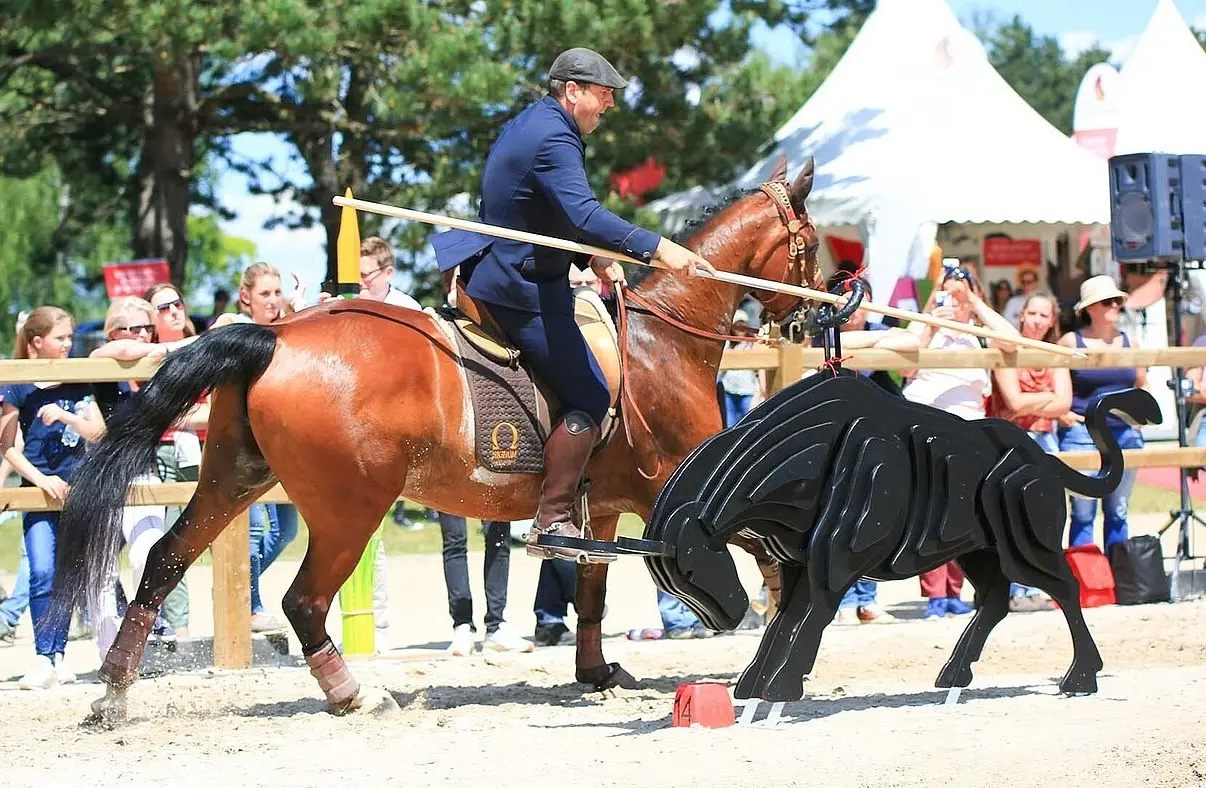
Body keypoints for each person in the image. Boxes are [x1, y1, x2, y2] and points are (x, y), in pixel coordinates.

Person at [431, 47, 714, 562]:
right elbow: (583, 213)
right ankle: (552, 519)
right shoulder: (555, 136)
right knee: (589, 391)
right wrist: (659, 248)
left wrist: (592, 256)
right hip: (518, 288)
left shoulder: (537, 122)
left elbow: (541, 210)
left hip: (507, 272)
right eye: (603, 94)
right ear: (573, 90)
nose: (609, 105)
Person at [0, 306, 105, 688]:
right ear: (36, 342)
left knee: (67, 574)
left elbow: (97, 432)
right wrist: (41, 480)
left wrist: (67, 418)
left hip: (78, 491)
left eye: (70, 337)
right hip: (38, 492)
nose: (67, 344)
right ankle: (44, 656)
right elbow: (8, 447)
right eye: (60, 338)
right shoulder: (17, 383)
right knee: (42, 570)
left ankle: (56, 656)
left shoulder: (78, 379)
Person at [1056, 275, 1148, 552]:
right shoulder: (1070, 341)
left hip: (1125, 433)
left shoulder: (1130, 341)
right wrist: (1063, 414)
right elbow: (1055, 381)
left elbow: (1141, 383)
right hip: (1083, 433)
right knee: (1083, 512)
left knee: (1118, 510)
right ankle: (1086, 576)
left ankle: (1118, 571)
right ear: (1089, 308)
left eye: (1117, 300)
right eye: (1107, 301)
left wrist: (1138, 421)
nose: (1115, 306)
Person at [990, 291, 1068, 612]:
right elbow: (1013, 402)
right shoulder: (1007, 348)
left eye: (1043, 315)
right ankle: (1012, 589)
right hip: (1011, 440)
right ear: (1021, 315)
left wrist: (1031, 402)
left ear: (1052, 321)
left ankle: (1034, 586)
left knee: (1042, 518)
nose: (1036, 321)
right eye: (1032, 313)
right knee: (1011, 516)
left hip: (1046, 440)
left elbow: (1064, 403)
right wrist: (1048, 398)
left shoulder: (1055, 352)